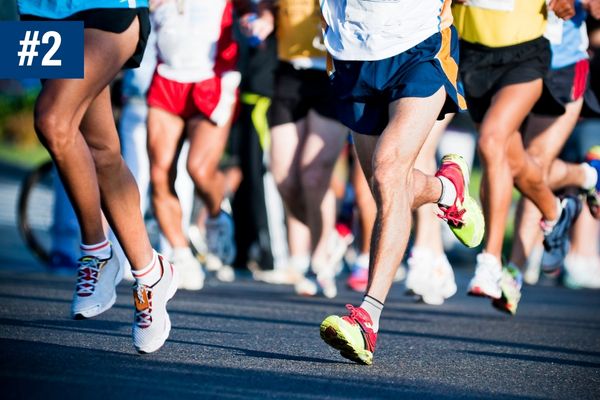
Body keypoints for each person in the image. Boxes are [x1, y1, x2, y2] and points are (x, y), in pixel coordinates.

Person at [318, 0, 485, 365]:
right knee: (387, 190)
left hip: (418, 44)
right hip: (352, 52)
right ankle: (446, 190)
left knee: (388, 171)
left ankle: (367, 317)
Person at [18, 0, 178, 353]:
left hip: (107, 5)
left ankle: (96, 250)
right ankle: (151, 273)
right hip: (38, 10)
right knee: (102, 150)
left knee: (53, 121)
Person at [452, 0, 582, 315]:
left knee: (492, 141)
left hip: (527, 52)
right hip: (473, 53)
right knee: (513, 160)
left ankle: (492, 263)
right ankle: (555, 211)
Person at [241, 0, 349, 298]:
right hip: (289, 74)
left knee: (315, 174)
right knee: (283, 178)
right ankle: (328, 239)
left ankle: (319, 259)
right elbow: (267, 6)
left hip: (334, 72)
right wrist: (263, 20)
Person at [146, 0, 240, 291]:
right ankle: (182, 254)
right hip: (167, 81)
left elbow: (257, 9)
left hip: (212, 80)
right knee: (159, 175)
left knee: (198, 169)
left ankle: (215, 215)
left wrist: (260, 17)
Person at [509, 0, 600, 292]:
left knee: (533, 163)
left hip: (563, 64)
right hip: (511, 59)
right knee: (510, 162)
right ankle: (586, 177)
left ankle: (514, 272)